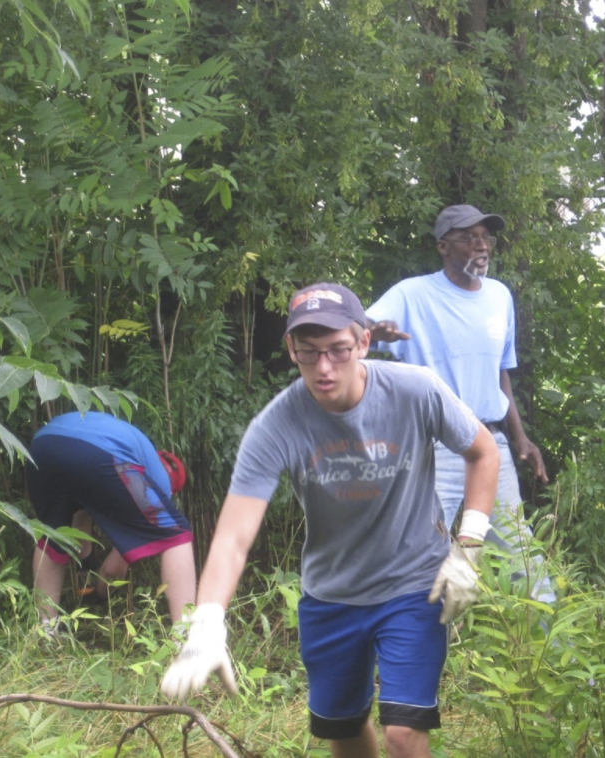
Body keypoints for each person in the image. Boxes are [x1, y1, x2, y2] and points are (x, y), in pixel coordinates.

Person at [161, 283, 499, 758]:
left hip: (414, 583)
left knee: (403, 731)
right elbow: (234, 536)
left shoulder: (415, 390)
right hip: (332, 594)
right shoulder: (276, 425)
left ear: (362, 342)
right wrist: (208, 620)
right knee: (343, 730)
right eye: (309, 352)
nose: (323, 367)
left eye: (338, 350)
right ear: (291, 350)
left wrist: (469, 546)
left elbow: (482, 451)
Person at [365, 204, 554, 603]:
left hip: (491, 441)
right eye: (469, 238)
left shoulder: (500, 297)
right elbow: (359, 331)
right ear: (443, 246)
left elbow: (501, 373)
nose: (481, 246)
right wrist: (370, 330)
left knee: (521, 553)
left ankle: (557, 650)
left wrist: (520, 438)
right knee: (416, 554)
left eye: (486, 237)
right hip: (435, 446)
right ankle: (407, 654)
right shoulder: (412, 294)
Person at [27, 411, 196, 629]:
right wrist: (99, 596)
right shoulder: (158, 482)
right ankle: (185, 637)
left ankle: (45, 632)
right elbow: (113, 570)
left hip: (42, 446)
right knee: (177, 533)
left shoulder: (136, 445)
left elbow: (80, 520)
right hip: (101, 452)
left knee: (55, 535)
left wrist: (86, 565)